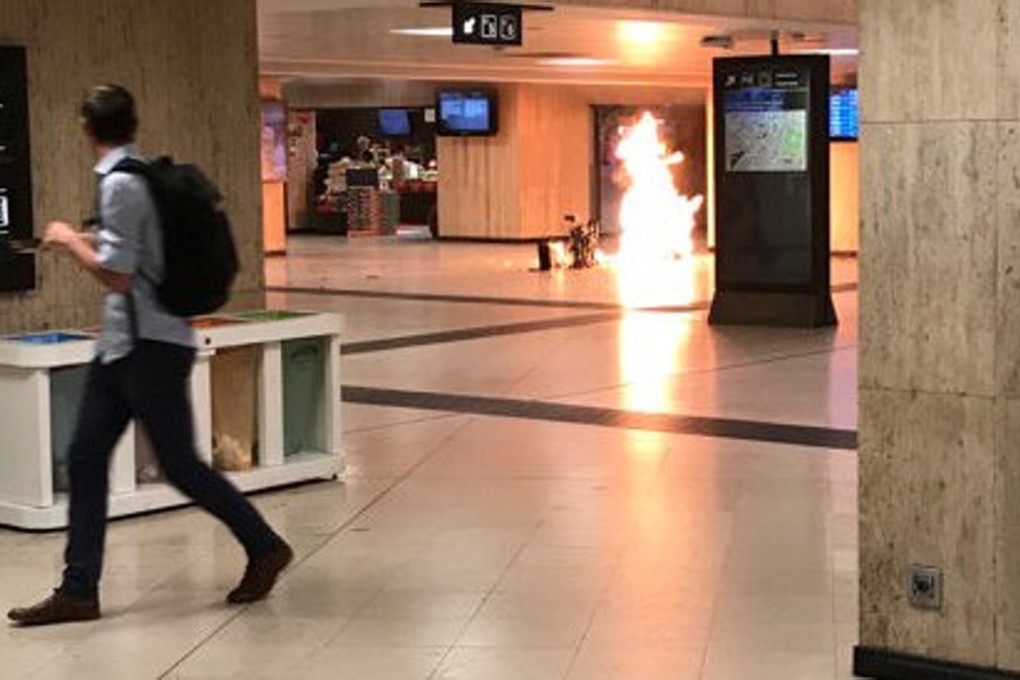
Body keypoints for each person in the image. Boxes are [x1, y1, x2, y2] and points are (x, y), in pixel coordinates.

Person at [7, 84, 293, 627]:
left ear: (86, 127)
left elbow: (117, 275)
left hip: (148, 348)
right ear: (131, 125)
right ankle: (78, 590)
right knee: (87, 458)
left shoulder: (121, 185)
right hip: (123, 347)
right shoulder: (139, 177)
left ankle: (264, 546)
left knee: (181, 465)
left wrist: (70, 241)